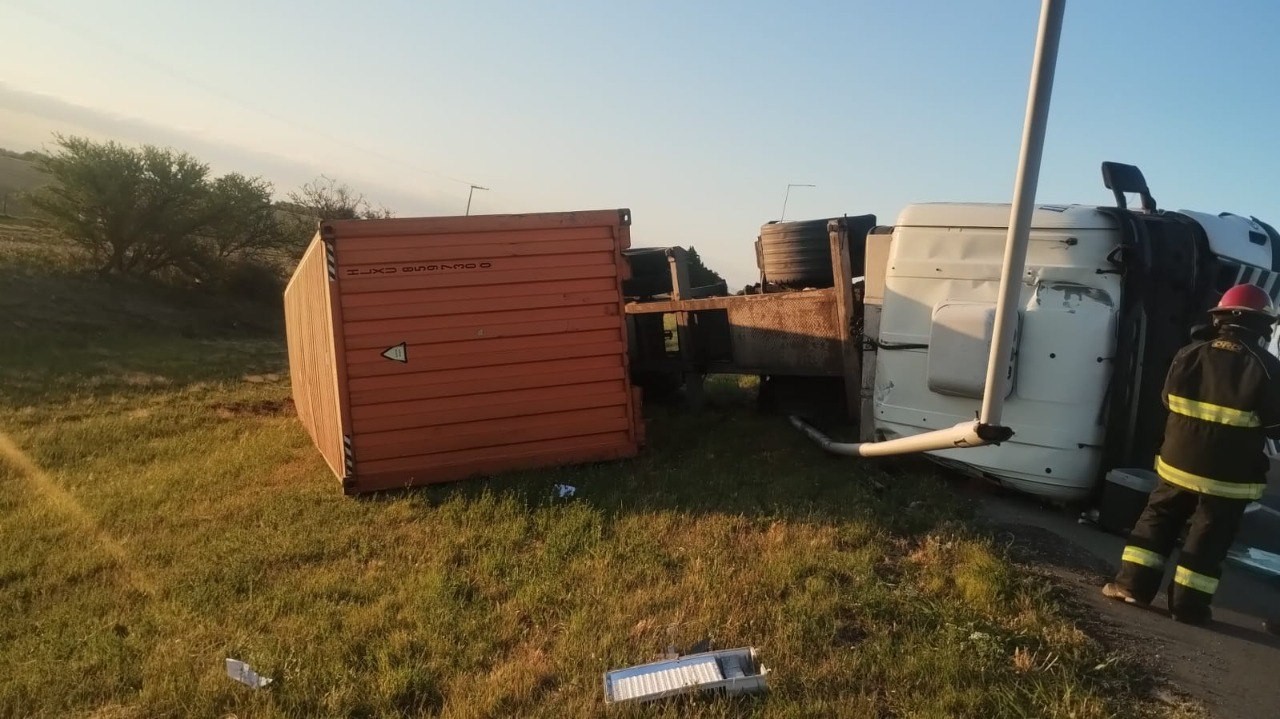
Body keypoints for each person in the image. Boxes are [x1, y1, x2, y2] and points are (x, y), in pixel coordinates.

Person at [1103, 283, 1280, 625]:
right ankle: (1187, 608)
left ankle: (1131, 587)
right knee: (1208, 538)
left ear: (1220, 318)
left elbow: (1168, 400)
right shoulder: (1269, 368)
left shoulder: (1189, 354)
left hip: (1177, 464)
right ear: (1263, 325)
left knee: (1156, 522)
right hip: (1229, 478)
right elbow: (1275, 427)